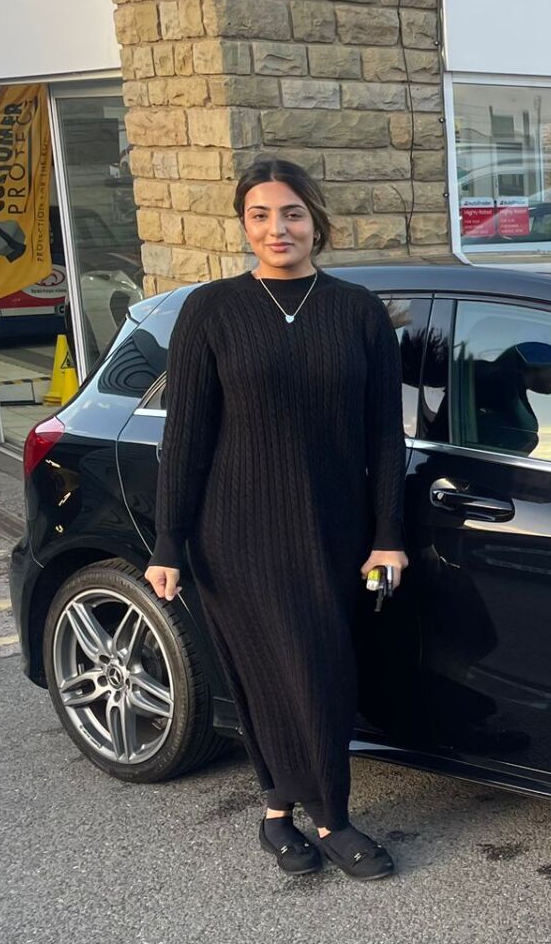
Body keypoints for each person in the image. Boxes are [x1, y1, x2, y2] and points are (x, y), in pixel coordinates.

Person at [142, 157, 408, 881]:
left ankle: (283, 814)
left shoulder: (356, 310)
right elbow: (186, 435)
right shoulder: (211, 310)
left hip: (332, 529)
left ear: (315, 220)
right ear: (244, 225)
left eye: (290, 213)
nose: (276, 228)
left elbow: (386, 434)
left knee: (318, 671)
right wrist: (169, 542)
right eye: (259, 215)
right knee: (270, 672)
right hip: (236, 533)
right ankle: (324, 817)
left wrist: (389, 533)